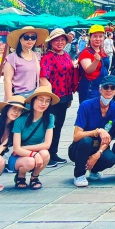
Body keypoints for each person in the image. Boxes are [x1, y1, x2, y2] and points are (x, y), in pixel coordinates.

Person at [69, 75, 115, 187]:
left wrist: (98, 154)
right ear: (100, 89)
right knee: (87, 141)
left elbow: (110, 137)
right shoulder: (86, 105)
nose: (109, 90)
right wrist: (98, 131)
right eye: (106, 87)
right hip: (80, 147)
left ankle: (94, 170)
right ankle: (79, 174)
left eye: (112, 88)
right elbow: (76, 136)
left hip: (99, 147)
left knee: (111, 158)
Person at [40, 28, 78, 167]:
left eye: (62, 40)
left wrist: (69, 97)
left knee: (59, 125)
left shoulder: (66, 55)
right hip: (52, 97)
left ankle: (53, 152)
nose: (60, 42)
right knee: (49, 125)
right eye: (57, 40)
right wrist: (48, 96)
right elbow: (43, 77)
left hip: (65, 95)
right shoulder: (48, 57)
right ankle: (46, 154)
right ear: (51, 42)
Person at [10, 87, 58, 190]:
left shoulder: (50, 117)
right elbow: (16, 149)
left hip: (28, 151)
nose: (43, 104)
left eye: (47, 101)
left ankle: (34, 177)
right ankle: (20, 176)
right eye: (40, 100)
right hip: (18, 157)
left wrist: (25, 149)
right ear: (33, 100)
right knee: (30, 162)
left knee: (45, 153)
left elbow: (47, 144)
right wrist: (33, 154)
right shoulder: (20, 120)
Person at [3, 26, 48, 101]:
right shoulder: (12, 58)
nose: (30, 39)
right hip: (18, 96)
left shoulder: (37, 56)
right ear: (20, 39)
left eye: (33, 37)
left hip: (33, 95)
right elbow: (7, 80)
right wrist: (9, 100)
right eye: (26, 37)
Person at [77, 24, 114, 104]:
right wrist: (96, 61)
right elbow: (88, 70)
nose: (98, 39)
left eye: (100, 36)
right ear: (90, 37)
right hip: (90, 88)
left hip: (102, 87)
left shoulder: (102, 51)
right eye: (95, 36)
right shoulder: (86, 52)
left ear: (104, 38)